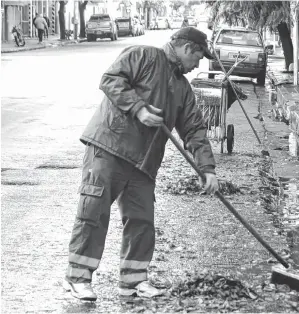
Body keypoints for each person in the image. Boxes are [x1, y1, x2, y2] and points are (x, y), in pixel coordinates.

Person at [62, 27, 219, 301]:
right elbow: (110, 80)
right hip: (110, 148)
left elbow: (193, 129)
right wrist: (139, 108)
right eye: (197, 58)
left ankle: (133, 282)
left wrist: (207, 169)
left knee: (141, 222)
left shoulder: (182, 88)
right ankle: (77, 278)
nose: (197, 66)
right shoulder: (144, 56)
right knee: (94, 213)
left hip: (144, 163)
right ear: (186, 49)